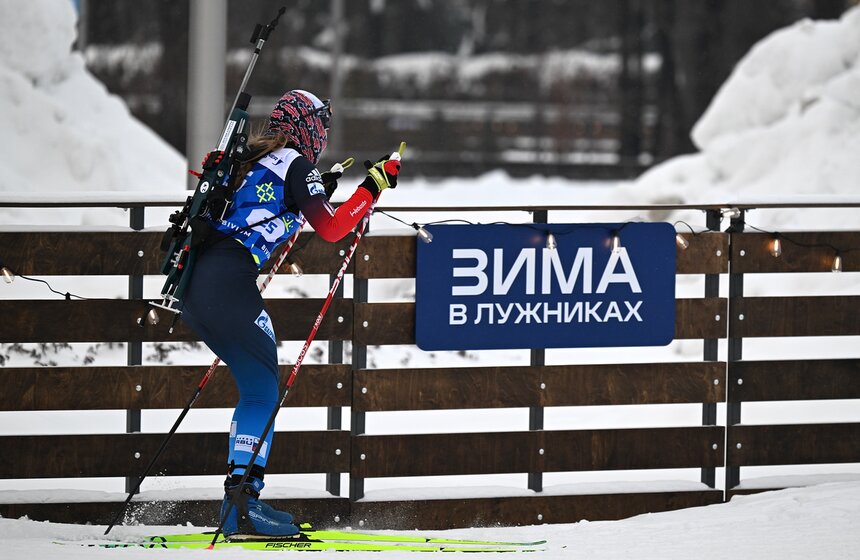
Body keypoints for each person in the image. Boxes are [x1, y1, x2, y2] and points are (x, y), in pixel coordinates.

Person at [179, 89, 401, 537]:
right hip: (227, 286)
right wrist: (373, 186)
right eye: (322, 124)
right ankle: (242, 506)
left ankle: (237, 504)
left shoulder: (256, 158)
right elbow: (334, 228)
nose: (324, 133)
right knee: (262, 388)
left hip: (195, 287)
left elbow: (273, 209)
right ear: (307, 126)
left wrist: (318, 190)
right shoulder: (296, 166)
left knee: (256, 385)